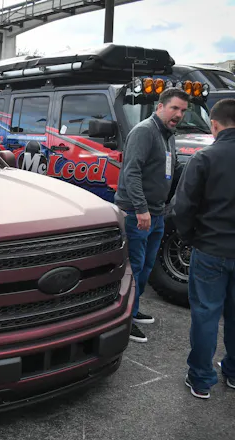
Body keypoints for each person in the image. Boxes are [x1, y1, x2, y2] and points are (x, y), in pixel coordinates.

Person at [170, 98, 235, 399]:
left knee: (206, 315)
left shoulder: (204, 158)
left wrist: (190, 237)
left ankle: (200, 380)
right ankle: (233, 373)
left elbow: (183, 206)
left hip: (210, 249)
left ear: (215, 125)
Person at [114, 88, 189, 343]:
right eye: (174, 108)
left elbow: (171, 169)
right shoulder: (144, 131)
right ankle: (124, 319)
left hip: (156, 213)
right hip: (138, 214)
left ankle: (133, 310)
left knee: (146, 267)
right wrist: (141, 209)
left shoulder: (169, 136)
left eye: (183, 110)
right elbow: (131, 172)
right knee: (133, 268)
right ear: (160, 107)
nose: (178, 114)